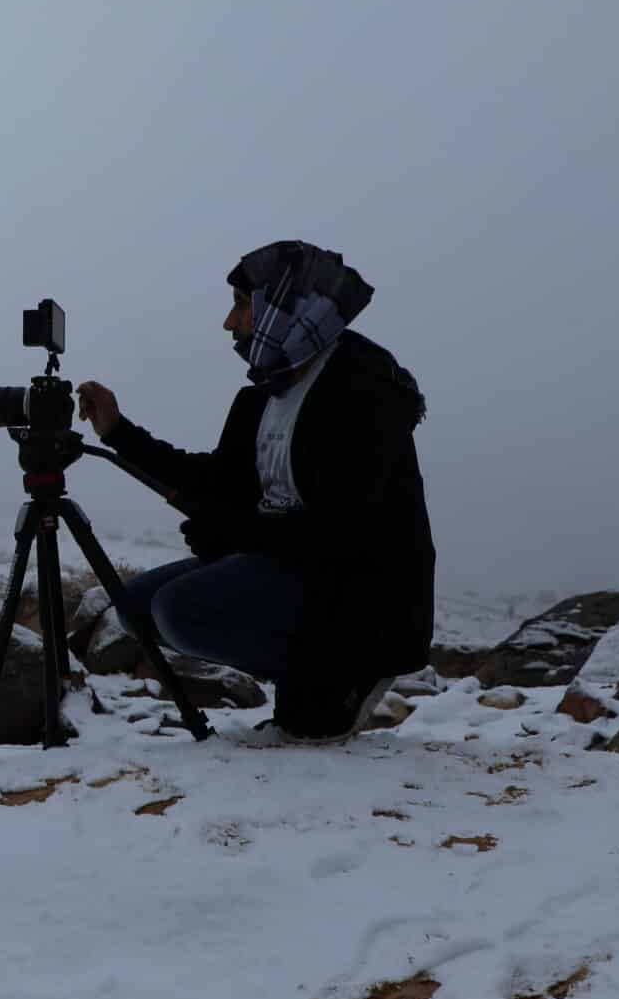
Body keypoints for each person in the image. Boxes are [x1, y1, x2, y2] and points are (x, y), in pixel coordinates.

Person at [76, 240, 433, 744]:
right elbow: (217, 480)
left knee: (181, 611)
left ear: (288, 308)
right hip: (283, 564)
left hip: (359, 589)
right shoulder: (265, 395)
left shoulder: (362, 391)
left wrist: (226, 529)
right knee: (135, 606)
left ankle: (343, 674)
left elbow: (339, 533)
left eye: (243, 305)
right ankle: (308, 681)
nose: (231, 322)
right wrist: (118, 432)